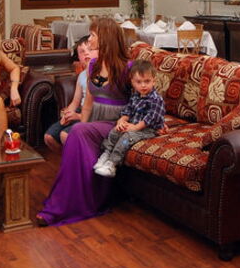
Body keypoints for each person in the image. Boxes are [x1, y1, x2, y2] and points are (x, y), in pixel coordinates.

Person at [36, 17, 132, 226]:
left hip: (116, 123)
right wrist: (83, 124)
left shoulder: (127, 68)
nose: (89, 39)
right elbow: (88, 103)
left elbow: (143, 100)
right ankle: (69, 201)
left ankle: (67, 205)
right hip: (95, 122)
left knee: (78, 133)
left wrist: (147, 122)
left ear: (105, 38)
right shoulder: (93, 65)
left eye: (93, 35)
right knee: (77, 133)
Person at [93, 60, 164, 178]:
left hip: (148, 130)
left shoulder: (156, 99)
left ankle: (112, 164)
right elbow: (128, 110)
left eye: (147, 81)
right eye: (139, 82)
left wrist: (135, 128)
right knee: (115, 131)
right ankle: (106, 154)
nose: (143, 85)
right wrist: (122, 121)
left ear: (154, 81)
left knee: (126, 138)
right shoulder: (135, 96)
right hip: (134, 125)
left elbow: (151, 118)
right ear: (132, 82)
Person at [43, 36, 96, 152]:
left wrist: (78, 116)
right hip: (80, 110)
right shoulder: (82, 75)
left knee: (65, 135)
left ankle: (74, 159)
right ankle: (66, 158)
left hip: (92, 113)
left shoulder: (100, 75)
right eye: (82, 52)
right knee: (49, 137)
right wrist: (66, 114)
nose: (86, 53)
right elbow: (75, 102)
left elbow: (98, 110)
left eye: (90, 49)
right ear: (78, 57)